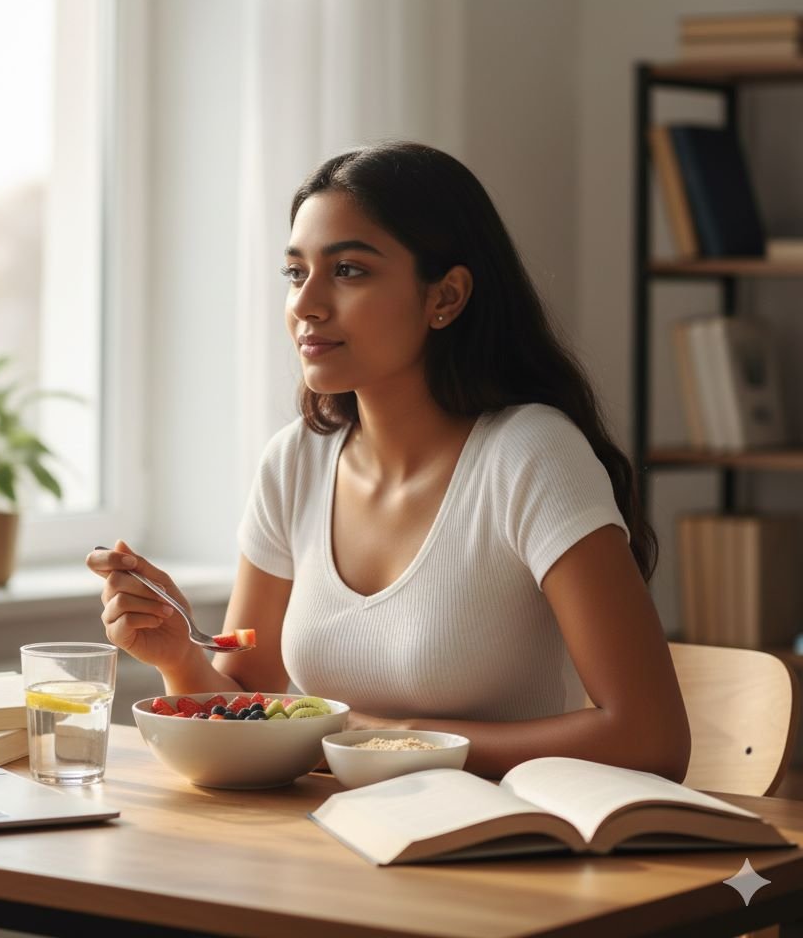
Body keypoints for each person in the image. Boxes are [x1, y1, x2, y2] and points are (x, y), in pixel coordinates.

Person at [87, 141, 691, 782]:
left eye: (348, 270)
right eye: (296, 273)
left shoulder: (531, 455)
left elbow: (649, 739)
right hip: (330, 846)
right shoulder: (295, 462)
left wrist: (394, 742)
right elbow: (246, 703)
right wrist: (179, 656)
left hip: (495, 855)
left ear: (447, 297)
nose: (306, 304)